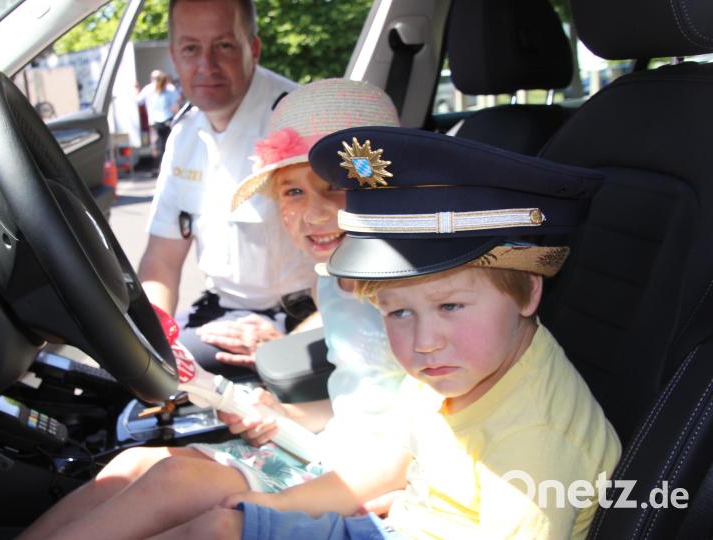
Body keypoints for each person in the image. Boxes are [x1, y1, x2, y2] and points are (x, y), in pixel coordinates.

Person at [152, 127, 623, 539]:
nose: (424, 341)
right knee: (216, 525)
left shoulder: (534, 442)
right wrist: (279, 505)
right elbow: (400, 453)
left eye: (451, 305)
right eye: (397, 312)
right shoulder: (454, 369)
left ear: (528, 293)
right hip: (403, 523)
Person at [18, 79, 404, 540]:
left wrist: (286, 502)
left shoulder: (414, 296)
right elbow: (361, 392)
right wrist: (284, 414)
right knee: (136, 464)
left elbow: (423, 436)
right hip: (336, 447)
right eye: (292, 192)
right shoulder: (332, 280)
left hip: (377, 475)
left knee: (174, 484)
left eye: (335, 187)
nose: (314, 213)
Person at [137, 0, 316, 378]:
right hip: (223, 312)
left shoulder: (300, 123)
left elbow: (347, 263)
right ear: (174, 56)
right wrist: (156, 340)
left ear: (253, 48)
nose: (207, 65)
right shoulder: (183, 135)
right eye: (191, 49)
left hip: (307, 318)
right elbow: (161, 261)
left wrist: (296, 340)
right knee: (139, 374)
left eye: (223, 45)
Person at [137, 69, 181, 172]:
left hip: (154, 122)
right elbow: (175, 106)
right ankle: (167, 167)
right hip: (167, 120)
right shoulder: (169, 88)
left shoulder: (148, 89)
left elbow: (138, 101)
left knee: (157, 145)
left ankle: (158, 167)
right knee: (167, 144)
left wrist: (136, 90)